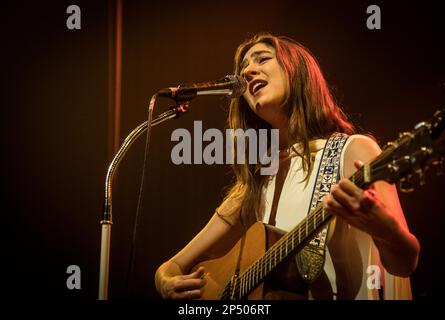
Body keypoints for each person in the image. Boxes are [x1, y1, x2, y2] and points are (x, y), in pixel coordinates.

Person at [154, 32, 420, 300]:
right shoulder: (255, 182)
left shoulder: (353, 150)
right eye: (243, 67)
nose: (247, 71)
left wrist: (382, 228)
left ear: (297, 71)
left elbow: (405, 262)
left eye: (262, 59)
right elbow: (171, 266)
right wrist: (164, 282)